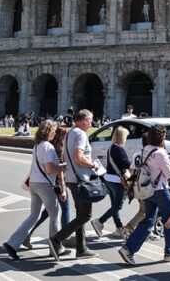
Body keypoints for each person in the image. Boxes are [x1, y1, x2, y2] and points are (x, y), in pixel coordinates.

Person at [3, 120, 68, 260]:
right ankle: (56, 247)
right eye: (53, 131)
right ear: (48, 131)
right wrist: (62, 167)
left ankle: (12, 243)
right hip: (45, 185)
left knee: (34, 216)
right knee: (55, 214)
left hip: (34, 183)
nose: (54, 133)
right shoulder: (48, 147)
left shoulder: (37, 145)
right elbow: (49, 168)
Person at [119, 124, 170, 265]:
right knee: (169, 220)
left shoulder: (145, 150)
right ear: (162, 138)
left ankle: (128, 248)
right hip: (161, 190)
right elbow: (169, 174)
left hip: (148, 190)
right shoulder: (161, 153)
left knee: (148, 220)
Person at [54, 109, 103, 258]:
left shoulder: (69, 133)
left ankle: (81, 249)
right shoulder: (80, 134)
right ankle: (57, 239)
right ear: (83, 121)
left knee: (80, 214)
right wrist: (93, 164)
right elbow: (78, 157)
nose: (91, 124)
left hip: (72, 178)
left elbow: (66, 156)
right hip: (81, 179)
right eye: (90, 121)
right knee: (85, 215)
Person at [24, 125, 70, 248]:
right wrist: (63, 188)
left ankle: (27, 234)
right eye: (66, 135)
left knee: (46, 213)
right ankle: (62, 238)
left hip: (43, 183)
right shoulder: (55, 148)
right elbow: (57, 170)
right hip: (53, 183)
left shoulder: (43, 145)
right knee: (63, 209)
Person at [93, 126, 131, 239]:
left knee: (114, 206)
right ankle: (100, 221)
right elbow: (127, 164)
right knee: (118, 206)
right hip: (117, 180)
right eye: (126, 137)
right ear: (122, 137)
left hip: (108, 179)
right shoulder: (119, 149)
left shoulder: (111, 148)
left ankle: (119, 227)